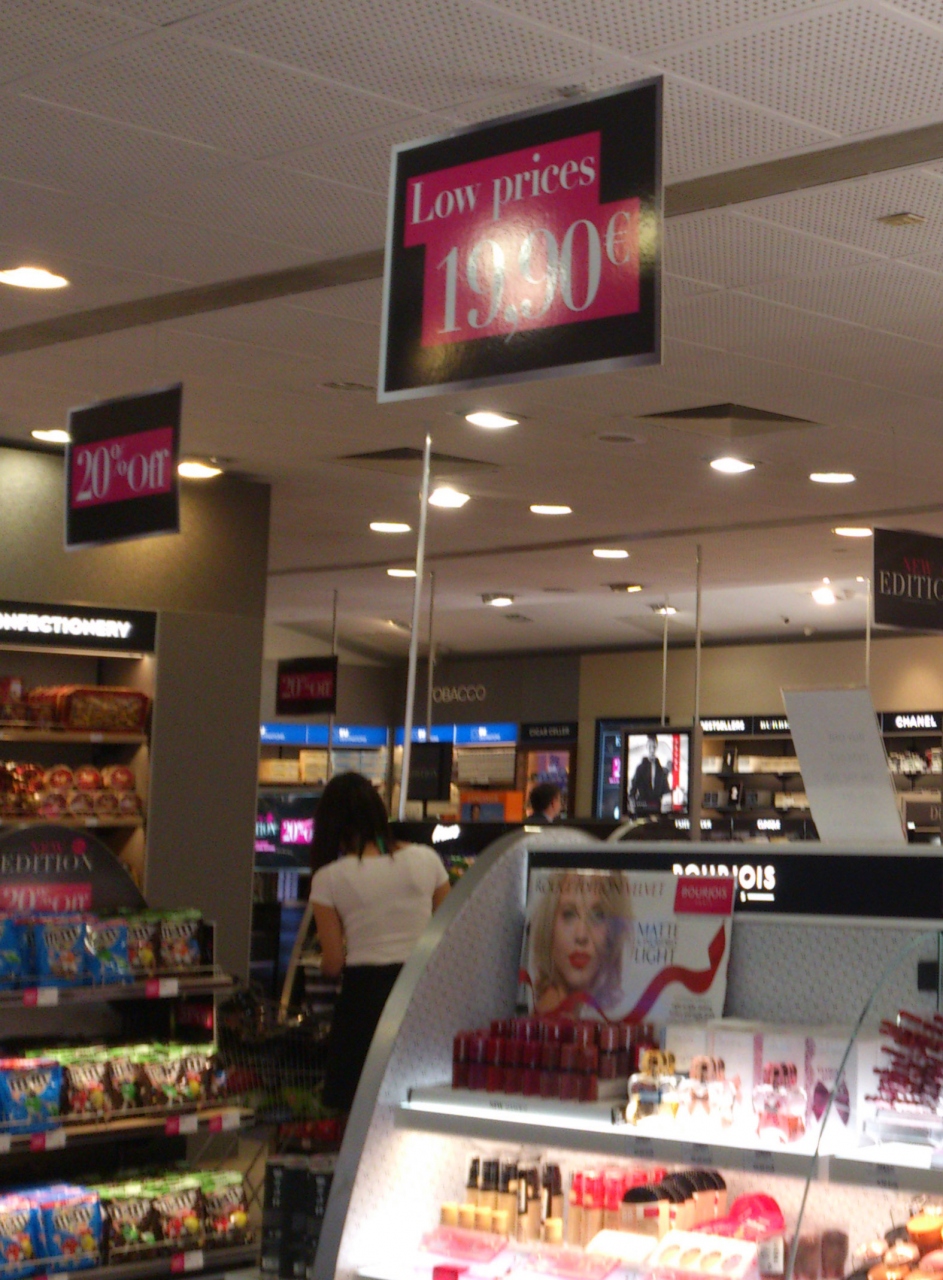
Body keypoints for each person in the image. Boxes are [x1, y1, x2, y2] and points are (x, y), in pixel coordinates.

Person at [309, 772, 450, 1112]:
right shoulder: (427, 859)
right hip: (421, 990)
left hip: (364, 998)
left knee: (359, 1105)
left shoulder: (329, 878)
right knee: (416, 1098)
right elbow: (449, 932)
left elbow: (333, 962)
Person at [527, 870, 632, 1016]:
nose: (581, 935)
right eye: (569, 914)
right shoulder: (553, 1017)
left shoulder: (574, 1013)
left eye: (597, 915)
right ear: (549, 924)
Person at [629, 734, 671, 814]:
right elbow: (632, 792)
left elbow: (666, 790)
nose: (652, 750)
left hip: (657, 810)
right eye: (650, 747)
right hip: (642, 809)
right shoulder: (640, 768)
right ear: (647, 747)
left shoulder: (661, 771)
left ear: (656, 747)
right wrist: (633, 809)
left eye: (654, 747)